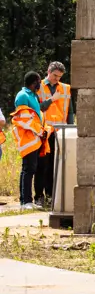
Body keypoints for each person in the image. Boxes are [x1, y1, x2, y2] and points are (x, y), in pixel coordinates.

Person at [34, 61, 68, 207]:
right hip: (44, 132)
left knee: (55, 165)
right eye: (55, 75)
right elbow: (37, 108)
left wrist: (70, 128)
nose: (56, 79)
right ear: (48, 71)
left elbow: (69, 110)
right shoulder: (38, 87)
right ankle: (39, 196)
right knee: (42, 165)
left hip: (59, 132)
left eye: (59, 77)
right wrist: (51, 100)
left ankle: (50, 195)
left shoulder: (65, 89)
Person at [10, 72, 44, 209]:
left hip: (35, 138)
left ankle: (28, 200)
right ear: (34, 82)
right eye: (38, 81)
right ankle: (25, 202)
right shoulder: (22, 95)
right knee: (28, 169)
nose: (40, 84)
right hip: (27, 138)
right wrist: (39, 131)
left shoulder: (33, 96)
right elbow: (23, 119)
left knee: (32, 168)